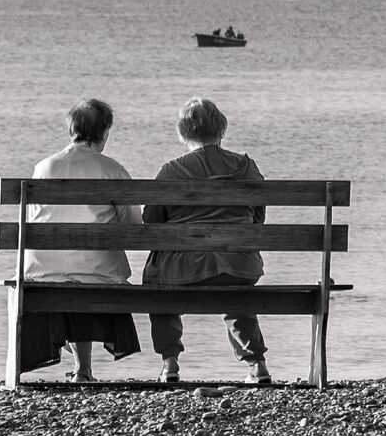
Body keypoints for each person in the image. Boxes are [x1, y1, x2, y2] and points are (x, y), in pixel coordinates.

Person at [143, 98, 273, 386]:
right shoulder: (247, 167)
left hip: (182, 270)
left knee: (156, 282)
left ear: (182, 133)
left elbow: (151, 222)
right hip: (240, 267)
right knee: (234, 284)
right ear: (221, 130)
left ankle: (170, 364)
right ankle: (257, 364)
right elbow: (258, 218)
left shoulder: (171, 171)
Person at [16, 96, 140, 382]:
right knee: (86, 271)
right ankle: (83, 370)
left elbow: (34, 220)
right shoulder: (113, 170)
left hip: (42, 271)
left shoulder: (43, 168)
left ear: (71, 129)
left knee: (70, 273)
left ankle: (82, 370)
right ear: (104, 132)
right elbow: (134, 228)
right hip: (98, 272)